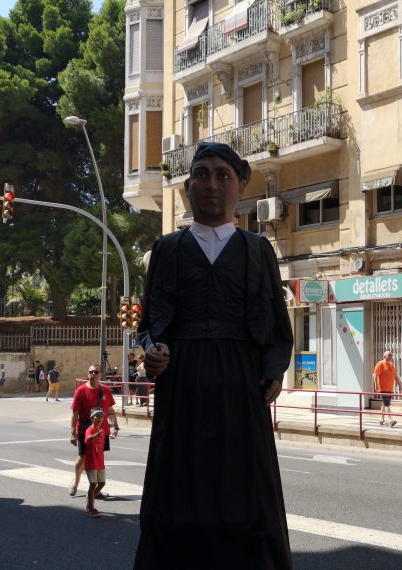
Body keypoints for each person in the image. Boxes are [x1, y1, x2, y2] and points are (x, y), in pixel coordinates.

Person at [133, 142, 293, 568]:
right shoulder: (166, 249)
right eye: (201, 174)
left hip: (242, 391)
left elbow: (278, 332)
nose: (211, 184)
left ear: (240, 186)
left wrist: (273, 373)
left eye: (223, 175)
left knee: (248, 494)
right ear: (187, 188)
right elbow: (146, 327)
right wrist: (152, 354)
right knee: (177, 492)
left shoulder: (259, 250)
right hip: (181, 389)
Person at [69, 365, 118, 497]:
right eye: (90, 372)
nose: (93, 374)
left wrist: (115, 427)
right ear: (88, 374)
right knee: (83, 456)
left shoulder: (106, 390)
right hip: (85, 430)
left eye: (96, 372)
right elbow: (75, 413)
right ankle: (76, 480)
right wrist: (72, 432)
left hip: (102, 432)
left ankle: (95, 489)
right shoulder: (81, 390)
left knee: (97, 458)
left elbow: (111, 411)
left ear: (100, 374)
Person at [82, 407, 112, 518]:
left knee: (102, 483)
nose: (99, 419)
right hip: (91, 462)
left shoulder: (102, 431)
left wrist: (111, 435)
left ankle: (90, 498)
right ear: (92, 418)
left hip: (100, 462)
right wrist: (95, 435)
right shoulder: (90, 430)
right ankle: (90, 507)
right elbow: (87, 439)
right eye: (97, 416)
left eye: (101, 417)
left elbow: (100, 447)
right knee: (93, 484)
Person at [373, 351, 402, 427]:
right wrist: (376, 384)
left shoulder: (392, 365)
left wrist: (399, 385)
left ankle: (381, 420)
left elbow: (395, 376)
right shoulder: (380, 364)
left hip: (390, 388)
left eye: (391, 355)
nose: (390, 356)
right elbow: (375, 374)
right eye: (389, 355)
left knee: (384, 404)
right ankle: (390, 420)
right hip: (382, 388)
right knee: (387, 404)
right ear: (384, 356)